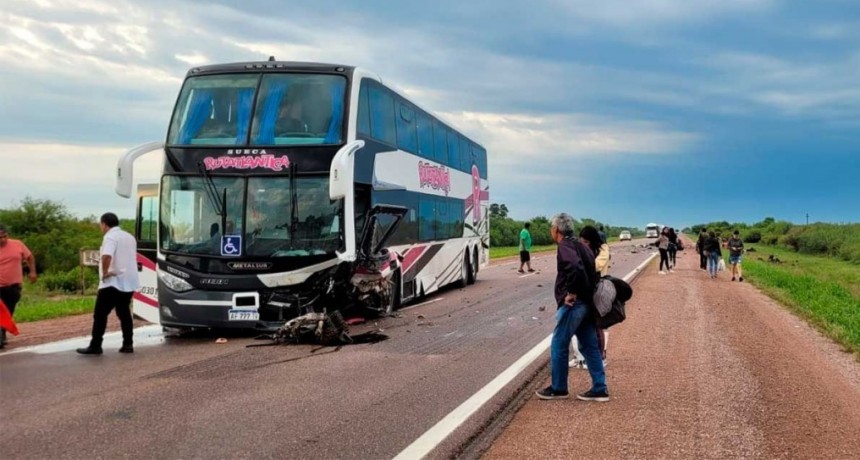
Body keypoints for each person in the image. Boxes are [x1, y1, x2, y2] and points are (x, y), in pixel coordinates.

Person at [535, 213, 608, 401]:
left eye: (551, 228)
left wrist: (572, 292)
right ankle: (600, 388)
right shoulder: (580, 245)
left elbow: (575, 267)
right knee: (590, 346)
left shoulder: (565, 246)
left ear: (556, 229)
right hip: (587, 303)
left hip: (574, 305)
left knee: (559, 344)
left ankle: (559, 388)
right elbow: (590, 269)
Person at [77, 213, 140, 355]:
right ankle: (128, 344)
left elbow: (107, 255)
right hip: (128, 281)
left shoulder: (110, 237)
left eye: (101, 225)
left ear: (104, 224)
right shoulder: (129, 237)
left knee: (100, 314)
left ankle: (95, 345)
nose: (101, 227)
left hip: (113, 281)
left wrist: (105, 272)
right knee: (124, 312)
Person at [570, 225, 610, 369]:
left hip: (598, 289)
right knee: (579, 325)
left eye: (586, 242)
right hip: (584, 290)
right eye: (582, 242)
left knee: (597, 326)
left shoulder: (603, 249)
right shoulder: (583, 250)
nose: (584, 245)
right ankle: (579, 357)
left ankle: (601, 357)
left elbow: (597, 266)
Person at [0, 224, 37, 348]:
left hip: (13, 286)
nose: (3, 240)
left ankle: (2, 332)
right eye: (0, 237)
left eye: (5, 236)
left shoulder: (17, 244)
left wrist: (32, 272)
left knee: (8, 311)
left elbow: (30, 257)